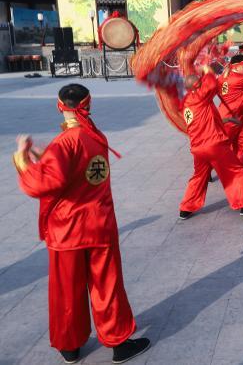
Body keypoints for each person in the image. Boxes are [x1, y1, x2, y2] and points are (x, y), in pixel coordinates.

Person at [12, 84, 150, 364]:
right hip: (100, 223)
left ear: (59, 105)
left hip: (68, 231)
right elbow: (73, 171)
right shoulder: (95, 135)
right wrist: (44, 156)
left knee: (67, 290)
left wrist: (23, 159)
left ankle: (70, 345)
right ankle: (118, 342)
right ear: (89, 104)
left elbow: (46, 182)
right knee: (107, 286)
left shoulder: (64, 143)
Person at [178, 65, 243, 220]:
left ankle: (186, 208)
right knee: (238, 171)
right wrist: (207, 68)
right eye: (199, 83)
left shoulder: (187, 103)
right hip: (214, 145)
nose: (202, 84)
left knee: (199, 176)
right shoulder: (200, 96)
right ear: (196, 87)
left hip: (198, 148)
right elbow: (211, 83)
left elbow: (205, 119)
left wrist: (228, 119)